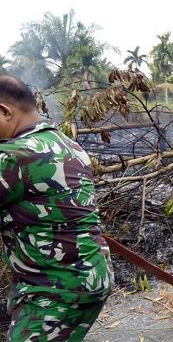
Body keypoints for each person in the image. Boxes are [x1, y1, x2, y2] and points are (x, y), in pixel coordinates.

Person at [0, 75, 113, 341]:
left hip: (54, 291)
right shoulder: (65, 143)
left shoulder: (12, 157)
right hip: (92, 276)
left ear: (4, 112)